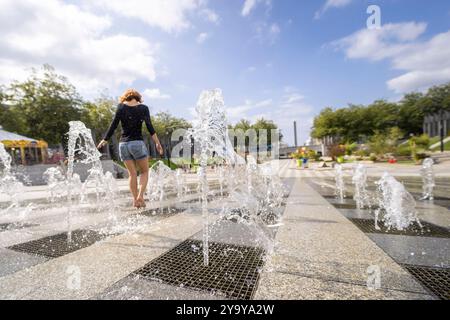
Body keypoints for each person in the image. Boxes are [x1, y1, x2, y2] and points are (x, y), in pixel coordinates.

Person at [97, 89, 163, 209]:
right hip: (137, 143)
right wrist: (157, 143)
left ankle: (135, 200)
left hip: (123, 145)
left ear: (125, 97)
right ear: (138, 98)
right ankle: (140, 197)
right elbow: (150, 126)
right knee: (144, 171)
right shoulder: (143, 108)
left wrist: (105, 139)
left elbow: (114, 124)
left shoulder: (121, 107)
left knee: (132, 174)